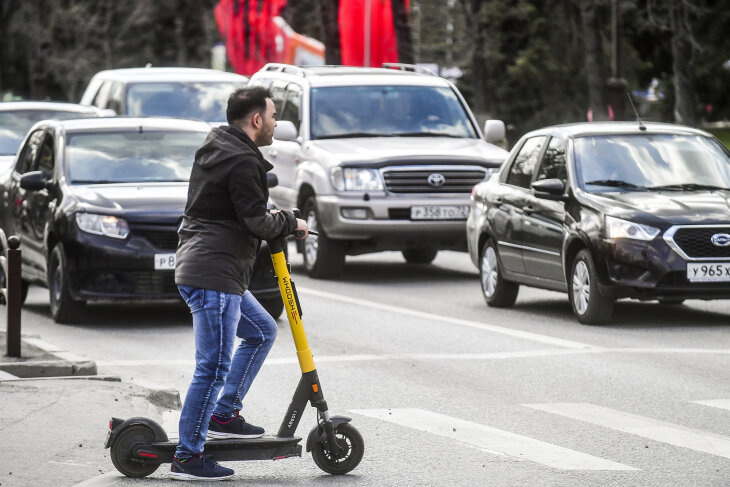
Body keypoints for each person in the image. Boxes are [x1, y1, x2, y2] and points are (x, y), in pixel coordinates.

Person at [171, 86, 308, 481]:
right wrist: (291, 222)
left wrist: (282, 217)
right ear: (256, 120)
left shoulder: (220, 149)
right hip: (214, 272)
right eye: (274, 115)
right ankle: (188, 455)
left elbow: (245, 209)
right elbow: (257, 222)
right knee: (212, 367)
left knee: (262, 330)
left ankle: (223, 412)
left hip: (211, 267)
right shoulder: (241, 162)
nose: (276, 123)